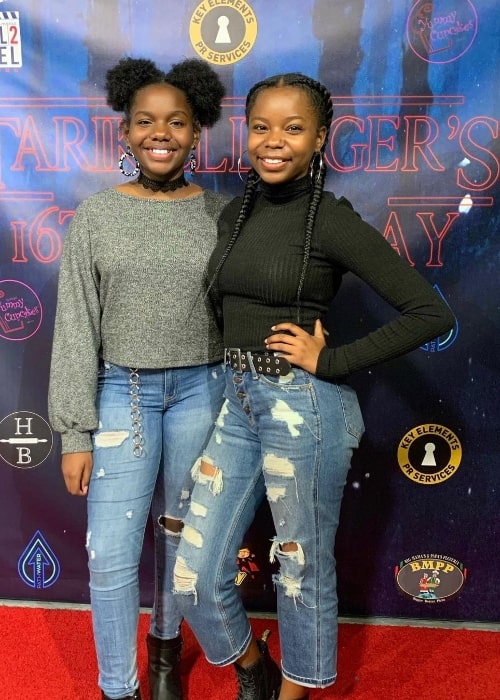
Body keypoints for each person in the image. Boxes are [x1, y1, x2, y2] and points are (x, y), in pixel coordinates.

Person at [172, 72, 455, 700]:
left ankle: (296, 695)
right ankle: (254, 668)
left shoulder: (329, 219)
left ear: (320, 138)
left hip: (305, 409)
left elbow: (431, 314)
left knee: (300, 573)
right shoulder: (235, 213)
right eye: (263, 126)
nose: (275, 142)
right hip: (238, 404)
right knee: (192, 576)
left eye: (294, 128)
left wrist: (332, 361)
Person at [48, 56, 227, 700]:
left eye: (176, 121)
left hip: (202, 392)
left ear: (196, 131)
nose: (161, 132)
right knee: (113, 552)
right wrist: (73, 431)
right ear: (125, 132)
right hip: (121, 394)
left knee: (184, 538)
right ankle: (116, 688)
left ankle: (165, 653)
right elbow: (75, 327)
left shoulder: (220, 216)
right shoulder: (95, 216)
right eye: (146, 121)